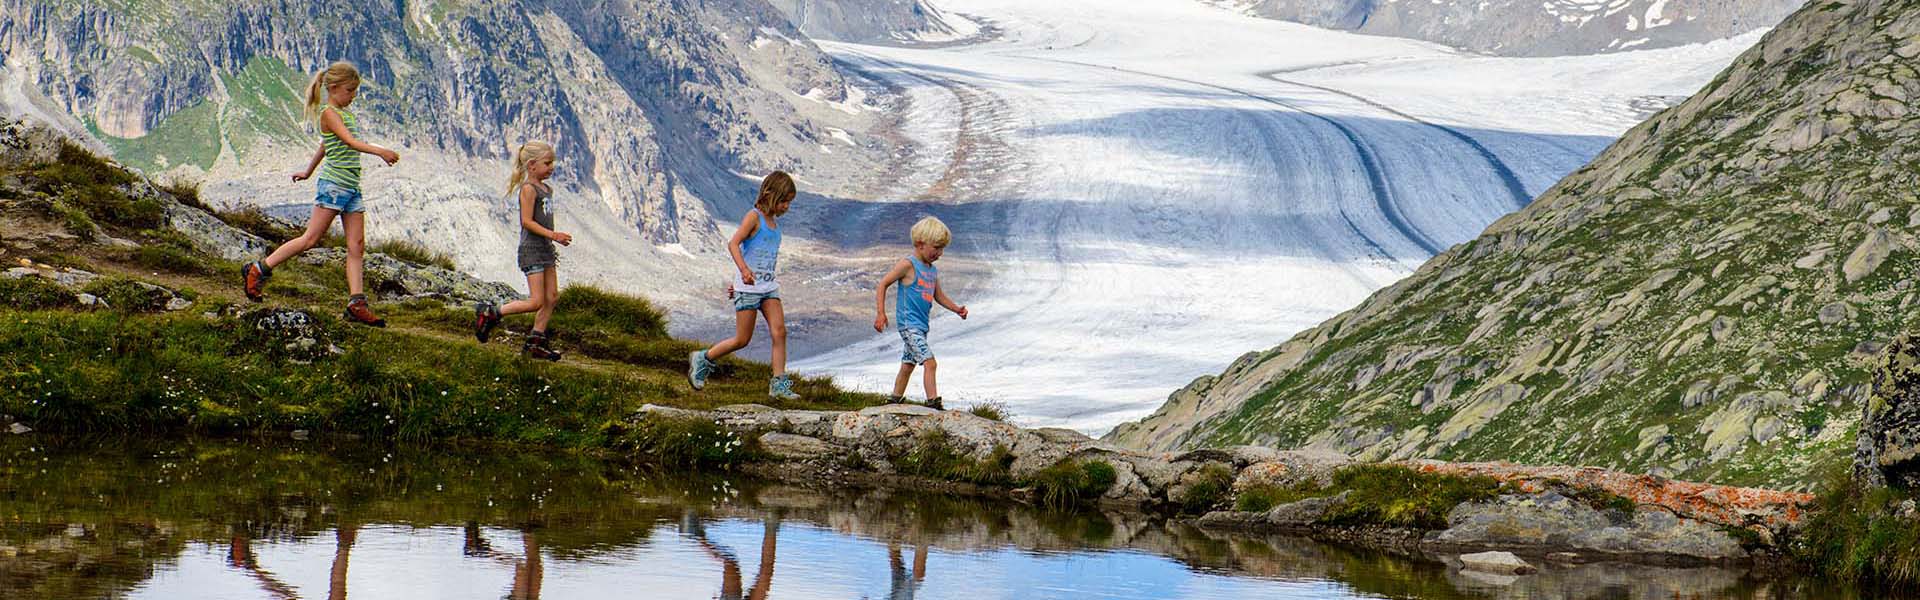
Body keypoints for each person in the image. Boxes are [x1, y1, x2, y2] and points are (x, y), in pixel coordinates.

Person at [240, 61, 401, 327]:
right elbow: (349, 142)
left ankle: (356, 303)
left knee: (356, 246)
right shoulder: (329, 113)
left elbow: (326, 146)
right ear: (334, 88)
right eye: (350, 90)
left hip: (351, 187)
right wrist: (380, 151)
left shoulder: (344, 114)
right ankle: (259, 269)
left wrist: (307, 171)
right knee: (311, 238)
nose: (354, 96)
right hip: (335, 186)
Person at [689, 172, 802, 400]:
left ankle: (778, 384)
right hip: (748, 288)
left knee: (780, 332)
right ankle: (703, 358)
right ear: (771, 195)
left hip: (768, 287)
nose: (787, 206)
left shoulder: (774, 224)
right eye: (784, 201)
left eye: (789, 202)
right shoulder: (754, 217)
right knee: (742, 340)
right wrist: (742, 272)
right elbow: (734, 243)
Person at [473, 141, 571, 361]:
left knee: (552, 297)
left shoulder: (547, 189)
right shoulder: (528, 189)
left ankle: (536, 341)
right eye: (547, 163)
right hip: (532, 250)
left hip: (545, 249)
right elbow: (526, 221)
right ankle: (492, 312)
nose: (552, 166)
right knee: (536, 301)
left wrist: (551, 240)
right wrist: (554, 235)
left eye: (552, 162)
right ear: (532, 165)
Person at [873, 217, 968, 409]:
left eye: (942, 249)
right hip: (909, 326)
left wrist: (957, 309)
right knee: (930, 363)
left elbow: (938, 296)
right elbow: (883, 284)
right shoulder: (908, 264)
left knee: (908, 364)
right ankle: (933, 402)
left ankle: (895, 399)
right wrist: (881, 313)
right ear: (920, 244)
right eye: (936, 248)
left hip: (922, 326)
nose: (939, 253)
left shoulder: (932, 271)